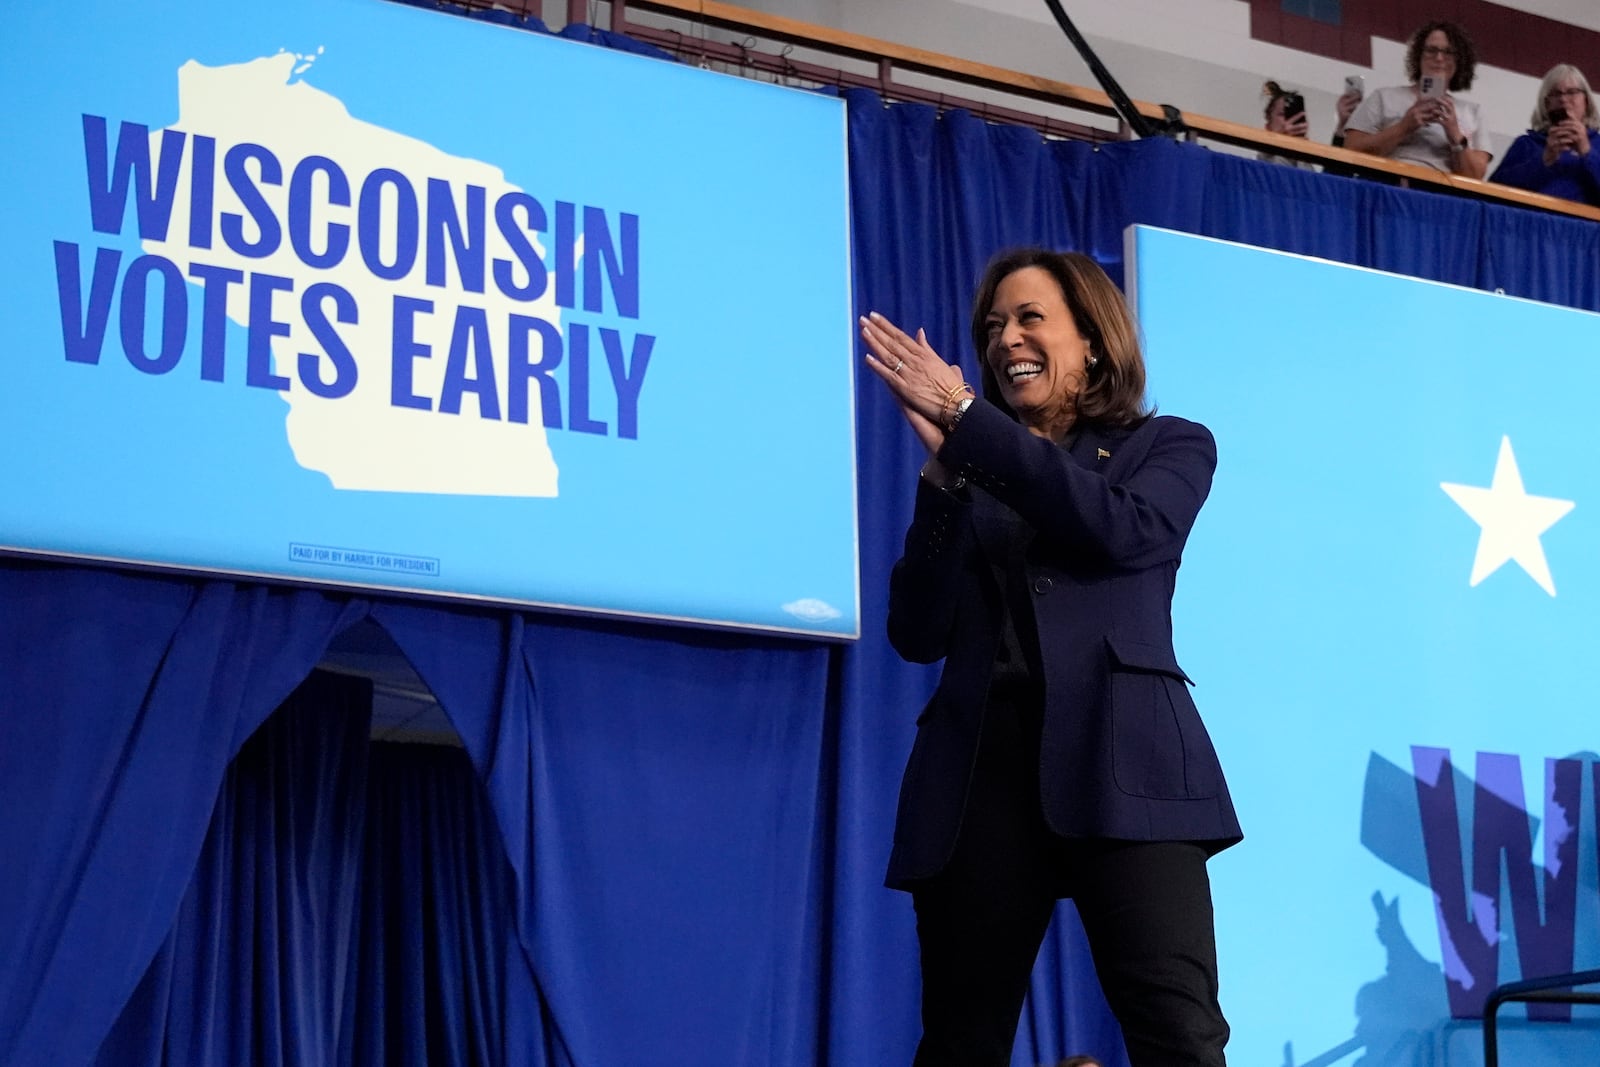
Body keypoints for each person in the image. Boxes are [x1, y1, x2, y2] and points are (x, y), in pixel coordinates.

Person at [859, 249, 1241, 1067]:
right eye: (993, 326)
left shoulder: (1169, 446)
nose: (1006, 340)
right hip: (979, 778)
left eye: (1030, 317)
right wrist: (945, 473)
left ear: (1094, 340)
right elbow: (916, 632)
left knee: (1179, 1035)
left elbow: (1118, 529)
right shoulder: (976, 464)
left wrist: (972, 423)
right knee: (961, 1044)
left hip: (1125, 763)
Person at [1342, 20, 1491, 178]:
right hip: (1389, 187)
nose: (1439, 58)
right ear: (1419, 57)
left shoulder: (1473, 112)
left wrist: (1455, 134)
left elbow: (1476, 176)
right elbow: (1351, 151)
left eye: (1449, 52)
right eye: (1431, 50)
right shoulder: (1383, 97)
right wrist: (1404, 127)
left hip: (1442, 196)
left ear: (1459, 61)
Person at [1490, 64, 1600, 206]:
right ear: (1546, 104)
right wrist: (1544, 160)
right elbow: (1495, 190)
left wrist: (1587, 152)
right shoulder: (1526, 144)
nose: (1563, 99)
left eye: (1572, 92)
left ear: (1586, 101)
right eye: (1556, 94)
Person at [1257, 80, 1316, 170]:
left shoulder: (1306, 163)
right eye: (1282, 114)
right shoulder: (1262, 163)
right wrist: (1283, 142)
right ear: (1268, 126)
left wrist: (1301, 148)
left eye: (1292, 114)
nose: (1288, 120)